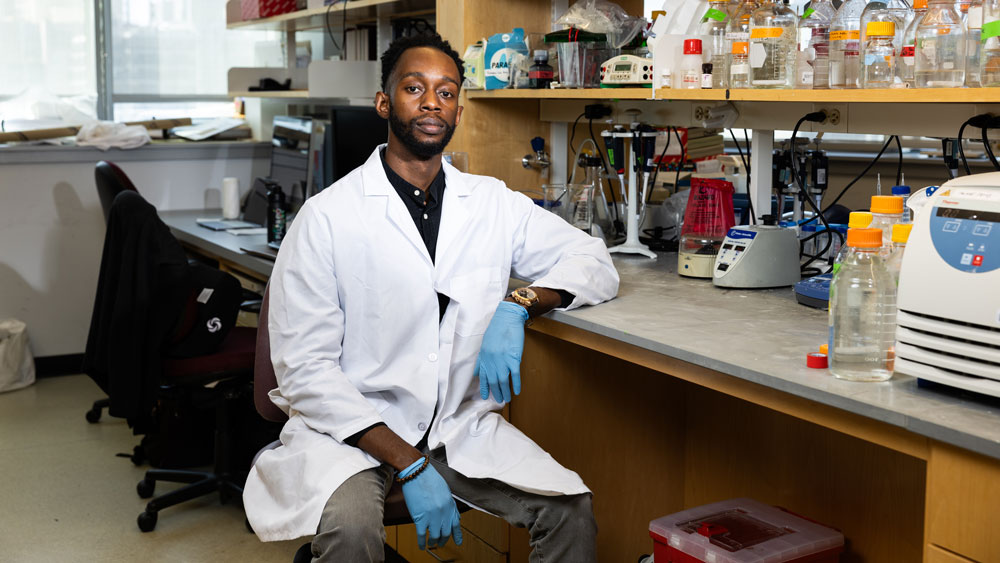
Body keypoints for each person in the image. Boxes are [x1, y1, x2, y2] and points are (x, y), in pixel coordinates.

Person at [243, 32, 619, 562]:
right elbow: (305, 370)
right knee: (351, 530)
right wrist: (410, 463)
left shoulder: (490, 202)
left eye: (446, 92)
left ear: (458, 112)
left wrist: (520, 303)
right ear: (384, 102)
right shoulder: (327, 217)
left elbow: (592, 260)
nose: (431, 103)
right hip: (351, 433)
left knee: (570, 512)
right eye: (414, 88)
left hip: (453, 430)